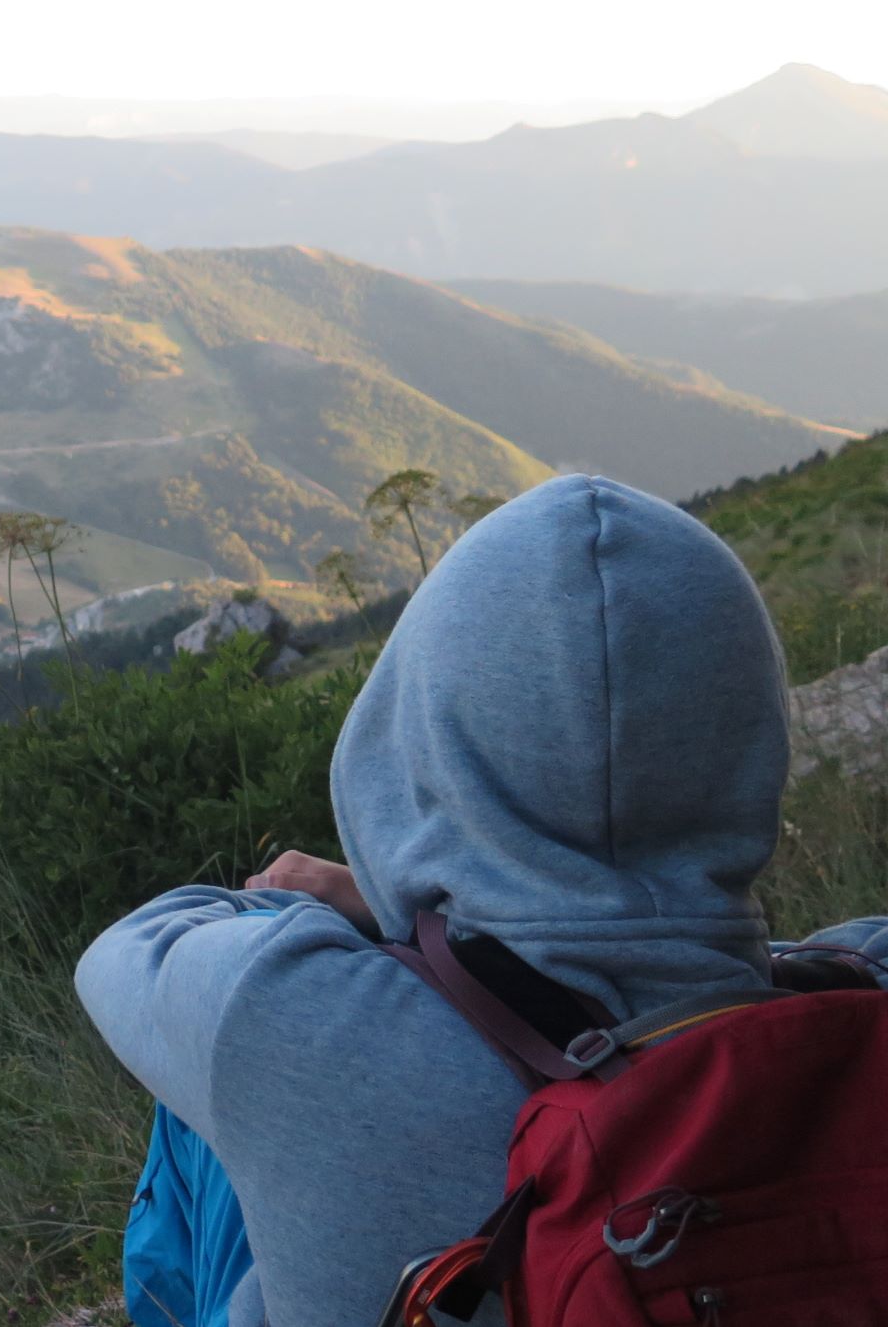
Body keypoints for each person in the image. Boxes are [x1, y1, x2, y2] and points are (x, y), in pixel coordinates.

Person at [76, 474, 888, 1327]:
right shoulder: (863, 979)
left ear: (409, 733)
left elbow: (126, 951)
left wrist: (380, 905)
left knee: (208, 1123)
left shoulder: (293, 1009)